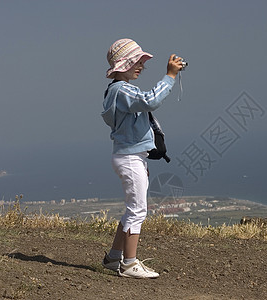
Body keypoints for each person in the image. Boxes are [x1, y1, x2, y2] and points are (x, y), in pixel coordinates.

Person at [100, 38, 183, 278]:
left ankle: (114, 258)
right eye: (137, 62)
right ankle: (130, 264)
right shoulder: (122, 90)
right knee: (138, 211)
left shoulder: (116, 90)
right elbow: (150, 101)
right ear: (123, 64)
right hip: (130, 157)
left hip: (130, 155)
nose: (141, 67)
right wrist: (169, 77)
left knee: (131, 210)